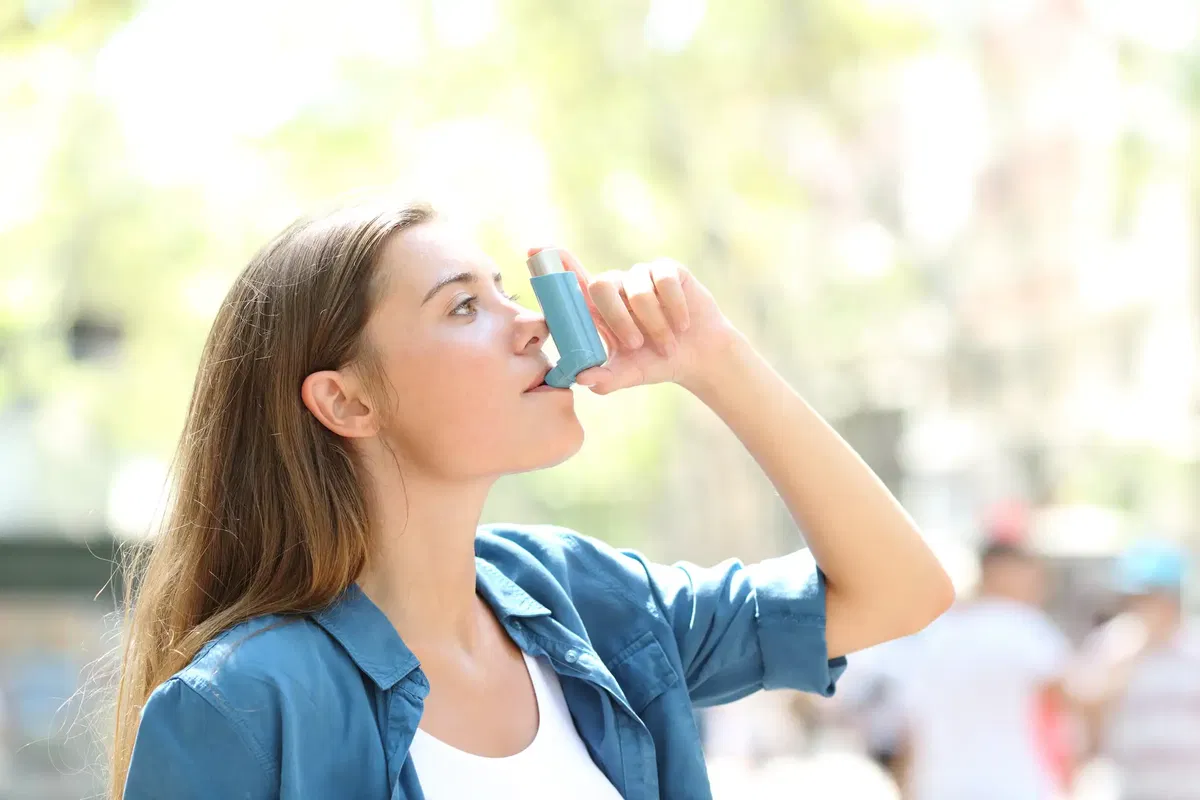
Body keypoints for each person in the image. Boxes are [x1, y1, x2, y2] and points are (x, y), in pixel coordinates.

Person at [111, 200, 954, 799]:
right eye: (465, 306)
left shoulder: (592, 605)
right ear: (347, 403)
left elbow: (900, 591)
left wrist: (716, 360)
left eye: (508, 290)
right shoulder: (244, 707)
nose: (529, 325)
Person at [899, 540, 1072, 800]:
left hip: (939, 787)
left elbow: (911, 726)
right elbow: (1068, 703)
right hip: (1013, 785)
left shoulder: (935, 634)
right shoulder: (1026, 627)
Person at [1069, 540, 1200, 800]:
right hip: (1130, 787)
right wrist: (1125, 661)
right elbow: (1085, 708)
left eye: (1153, 596)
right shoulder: (1112, 643)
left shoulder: (1194, 646)